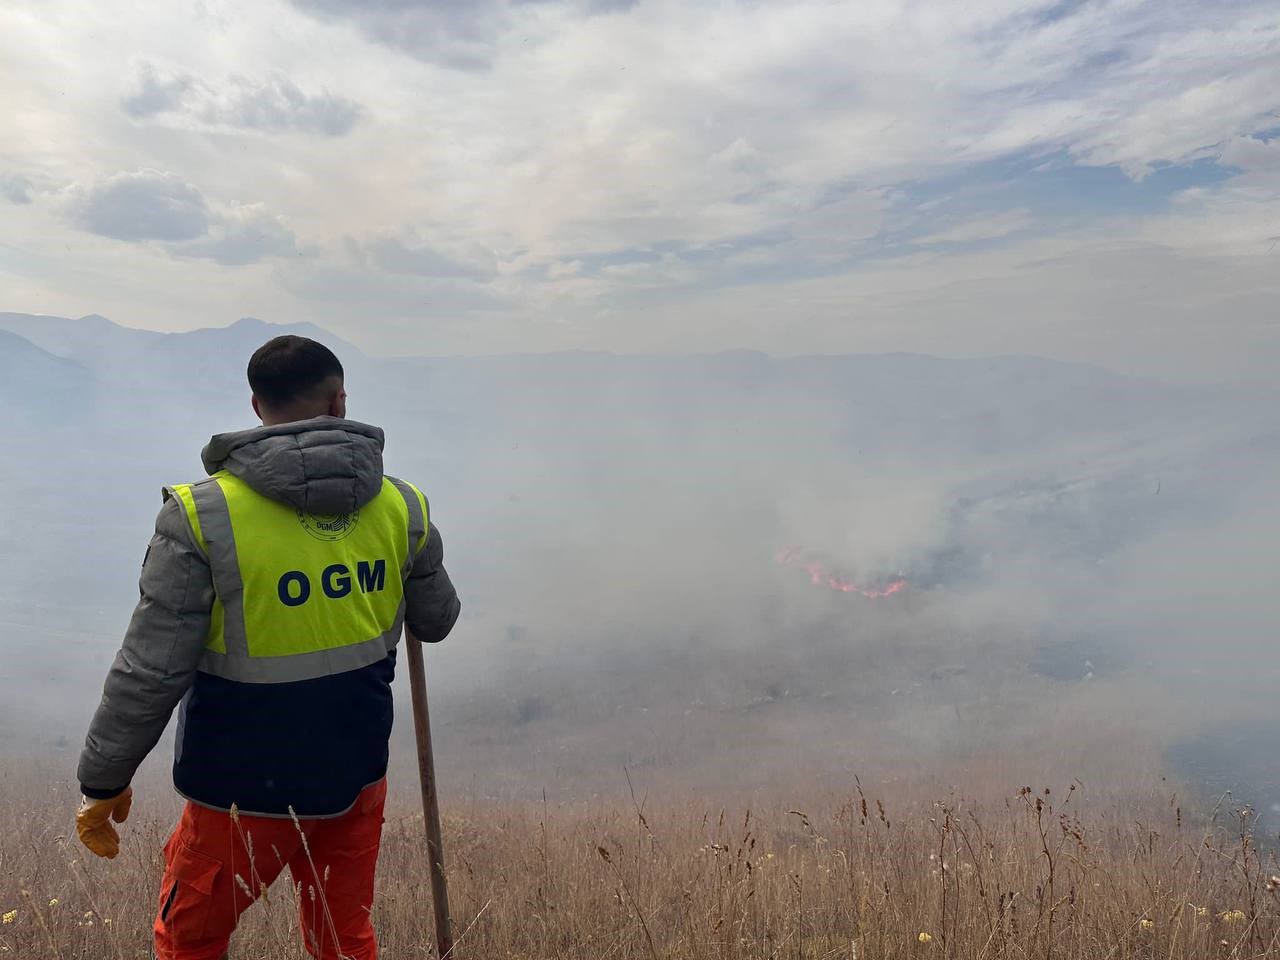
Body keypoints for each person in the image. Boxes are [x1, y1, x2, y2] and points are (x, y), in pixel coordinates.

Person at [74, 335, 461, 960]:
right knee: (344, 942)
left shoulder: (204, 516)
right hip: (356, 775)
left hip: (237, 791)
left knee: (191, 943)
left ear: (257, 408)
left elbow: (150, 669)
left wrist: (103, 778)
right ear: (340, 401)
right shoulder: (403, 507)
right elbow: (437, 621)